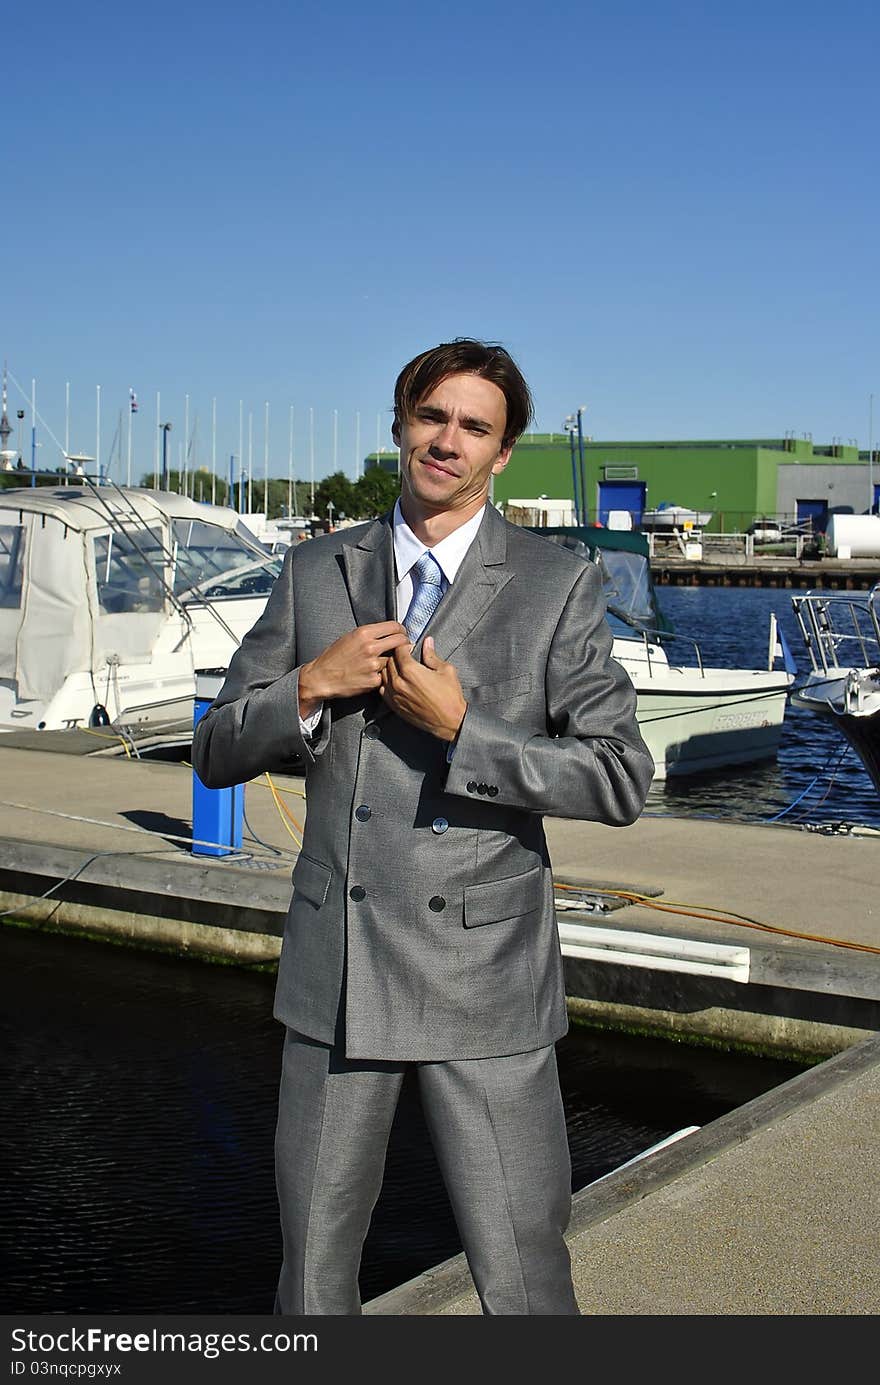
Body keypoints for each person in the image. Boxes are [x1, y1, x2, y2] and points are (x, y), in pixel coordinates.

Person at [191, 338, 655, 1316]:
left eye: (473, 426)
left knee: (524, 1277)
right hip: (337, 968)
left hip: (480, 973)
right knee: (312, 1279)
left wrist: (461, 729)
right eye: (431, 416)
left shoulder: (556, 579)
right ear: (400, 421)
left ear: (503, 452)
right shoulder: (317, 568)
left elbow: (618, 778)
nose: (447, 440)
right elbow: (218, 749)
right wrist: (310, 685)